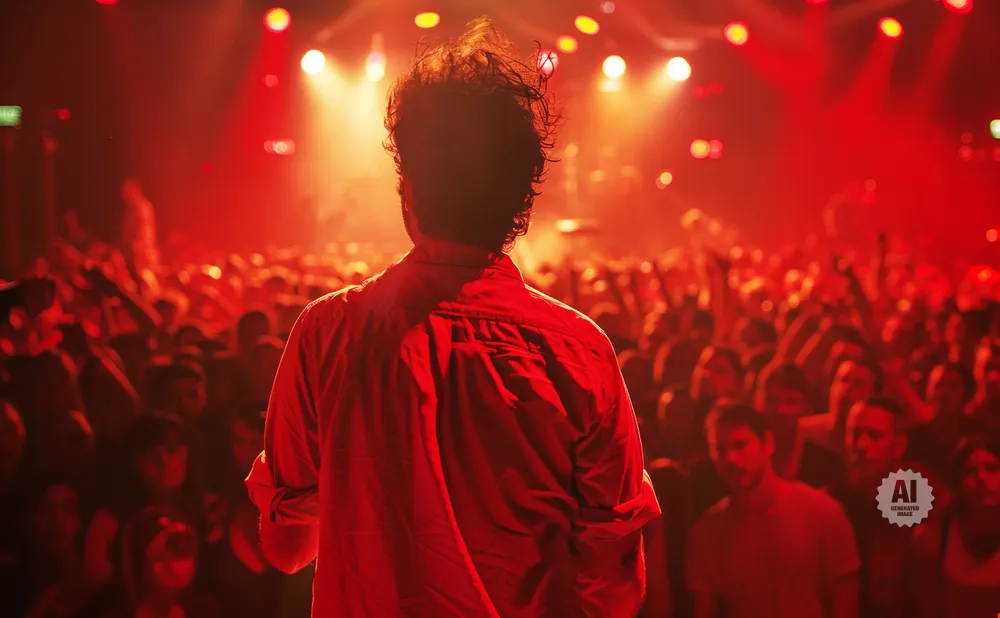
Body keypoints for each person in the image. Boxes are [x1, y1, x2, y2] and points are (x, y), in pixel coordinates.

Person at [245, 17, 660, 618]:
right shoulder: (580, 352)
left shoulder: (325, 335)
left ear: (408, 190)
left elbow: (287, 547)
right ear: (521, 199)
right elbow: (617, 590)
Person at [685, 403, 859, 618]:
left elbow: (846, 601)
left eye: (740, 445)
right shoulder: (707, 532)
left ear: (767, 443)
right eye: (720, 450)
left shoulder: (823, 512)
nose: (731, 458)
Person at [828, 397, 915, 618]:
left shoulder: (914, 496)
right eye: (855, 434)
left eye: (874, 436)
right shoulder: (830, 503)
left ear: (899, 445)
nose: (861, 445)